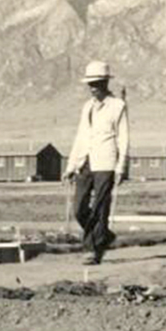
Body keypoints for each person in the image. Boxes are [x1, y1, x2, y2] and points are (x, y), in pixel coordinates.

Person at [63, 60, 129, 265]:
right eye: (90, 84)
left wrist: (121, 167)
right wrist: (71, 166)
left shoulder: (118, 106)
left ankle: (93, 250)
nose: (92, 88)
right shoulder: (87, 108)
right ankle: (104, 236)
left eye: (96, 83)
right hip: (86, 162)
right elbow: (81, 136)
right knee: (79, 208)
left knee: (101, 207)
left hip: (106, 163)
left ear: (105, 83)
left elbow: (124, 138)